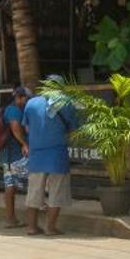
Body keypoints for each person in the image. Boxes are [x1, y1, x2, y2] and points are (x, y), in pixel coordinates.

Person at [20, 78, 80, 236]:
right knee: (57, 192)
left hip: (36, 154)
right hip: (57, 154)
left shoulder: (31, 103)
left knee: (33, 192)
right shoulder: (66, 102)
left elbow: (26, 128)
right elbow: (73, 129)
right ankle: (50, 228)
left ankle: (31, 227)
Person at [0, 84, 31, 229]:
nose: (27, 101)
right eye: (25, 98)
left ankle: (12, 219)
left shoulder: (15, 109)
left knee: (11, 185)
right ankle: (11, 219)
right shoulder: (13, 110)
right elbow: (15, 128)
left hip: (11, 154)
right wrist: (24, 143)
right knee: (11, 185)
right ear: (19, 97)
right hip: (13, 154)